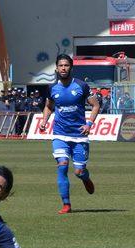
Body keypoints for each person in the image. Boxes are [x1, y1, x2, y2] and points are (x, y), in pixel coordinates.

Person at [39, 54, 100, 214]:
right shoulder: (52, 88)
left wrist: (89, 124)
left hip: (79, 136)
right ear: (57, 68)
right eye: (61, 65)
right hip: (60, 134)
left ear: (71, 68)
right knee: (62, 166)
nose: (63, 68)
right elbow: (49, 106)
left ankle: (85, 177)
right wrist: (44, 121)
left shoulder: (81, 86)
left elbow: (95, 105)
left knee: (78, 171)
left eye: (66, 65)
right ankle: (66, 204)